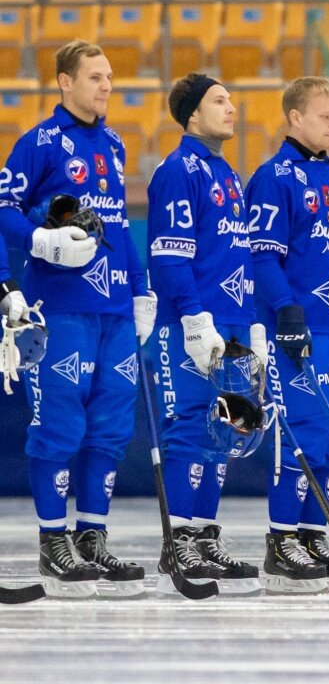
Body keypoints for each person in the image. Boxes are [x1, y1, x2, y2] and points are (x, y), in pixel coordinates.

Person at [0, 40, 155, 597]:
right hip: (59, 308)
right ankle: (52, 541)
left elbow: (114, 224)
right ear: (65, 82)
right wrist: (38, 239)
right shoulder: (38, 143)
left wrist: (141, 292)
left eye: (109, 76)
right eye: (94, 77)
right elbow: (2, 210)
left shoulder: (113, 142)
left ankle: (92, 537)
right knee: (60, 425)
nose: (106, 85)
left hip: (114, 310)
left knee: (111, 429)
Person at [245, 77, 329, 594]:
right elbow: (262, 256)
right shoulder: (273, 177)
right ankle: (282, 541)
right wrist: (286, 311)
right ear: (295, 118)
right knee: (300, 433)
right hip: (301, 329)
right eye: (325, 116)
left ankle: (313, 530)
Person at [146, 73, 265, 594]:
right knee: (191, 426)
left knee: (226, 430)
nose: (231, 109)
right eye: (220, 101)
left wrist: (253, 322)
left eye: (232, 101)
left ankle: (204, 536)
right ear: (193, 115)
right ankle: (178, 544)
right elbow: (170, 255)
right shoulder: (177, 171)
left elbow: (237, 254)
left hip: (234, 320)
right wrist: (194, 320)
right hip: (193, 323)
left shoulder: (227, 173)